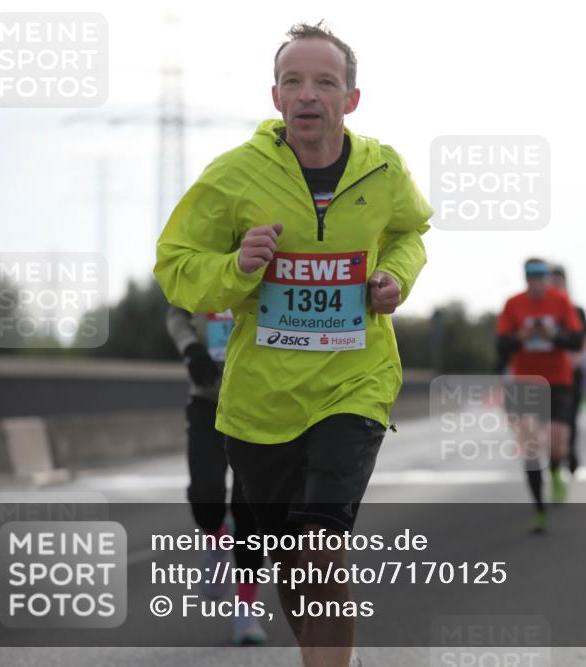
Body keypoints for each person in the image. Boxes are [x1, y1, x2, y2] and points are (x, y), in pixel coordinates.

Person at [154, 22, 431, 667]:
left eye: (325, 82)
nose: (308, 95)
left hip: (354, 382)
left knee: (321, 541)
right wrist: (238, 269)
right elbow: (175, 265)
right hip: (260, 400)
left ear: (351, 98)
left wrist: (396, 277)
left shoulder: (384, 170)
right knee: (291, 559)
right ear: (276, 98)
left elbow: (411, 232)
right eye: (293, 82)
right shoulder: (233, 176)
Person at [166, 306, 265, 645]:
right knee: (205, 492)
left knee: (248, 509)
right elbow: (176, 312)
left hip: (259, 401)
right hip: (207, 396)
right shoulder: (202, 254)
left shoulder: (278, 255)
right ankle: (217, 537)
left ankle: (246, 614)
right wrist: (190, 347)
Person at [496, 259, 584, 533]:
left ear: (546, 278)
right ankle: (539, 510)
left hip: (558, 380)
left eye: (540, 275)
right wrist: (521, 338)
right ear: (525, 278)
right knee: (531, 446)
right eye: (531, 275)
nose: (536, 280)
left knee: (556, 444)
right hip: (526, 381)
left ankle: (557, 471)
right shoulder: (513, 304)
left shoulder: (560, 301)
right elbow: (500, 346)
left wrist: (552, 335)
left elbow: (577, 340)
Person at [549, 265, 586, 472]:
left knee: (569, 418)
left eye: (559, 281)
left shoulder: (576, 310)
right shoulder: (543, 309)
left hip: (572, 375)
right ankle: (554, 460)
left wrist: (578, 359)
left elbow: (584, 340)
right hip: (547, 374)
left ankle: (570, 451)